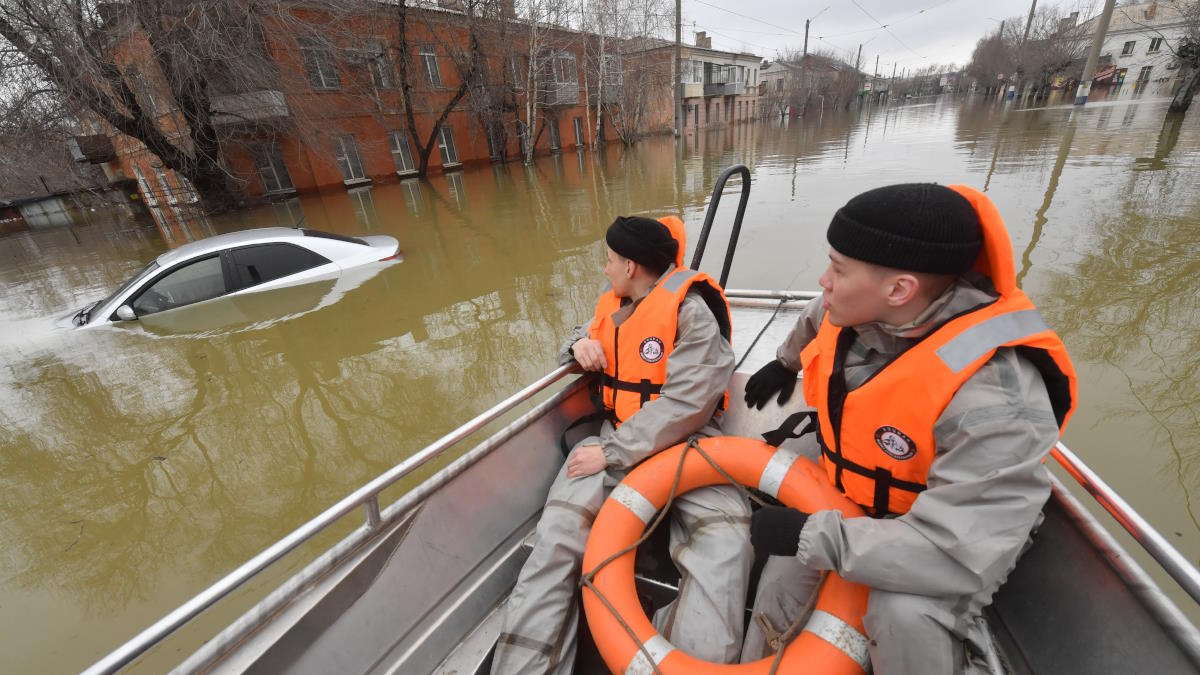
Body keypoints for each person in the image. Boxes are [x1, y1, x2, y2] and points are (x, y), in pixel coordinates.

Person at [741, 183, 1076, 673]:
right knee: (778, 582)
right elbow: (818, 315)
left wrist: (816, 536)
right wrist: (785, 362)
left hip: (944, 540)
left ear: (899, 289)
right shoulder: (855, 309)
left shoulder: (998, 397)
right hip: (851, 500)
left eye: (837, 269)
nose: (823, 280)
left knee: (905, 615)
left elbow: (954, 551)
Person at [491, 215, 751, 674]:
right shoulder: (614, 304)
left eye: (609, 260)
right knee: (559, 533)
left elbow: (687, 405)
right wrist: (577, 347)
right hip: (618, 434)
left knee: (723, 544)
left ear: (631, 266)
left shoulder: (691, 313)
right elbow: (580, 338)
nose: (604, 268)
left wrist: (610, 453)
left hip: (687, 445)